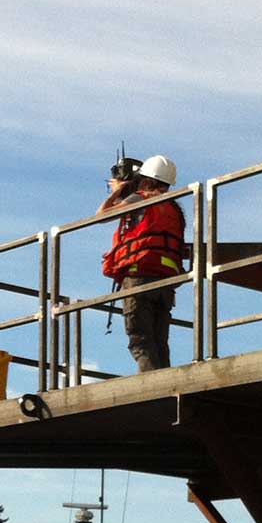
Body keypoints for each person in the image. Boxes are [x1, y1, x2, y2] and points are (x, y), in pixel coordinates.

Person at [97, 154, 187, 371]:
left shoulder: (140, 198)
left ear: (145, 179)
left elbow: (101, 215)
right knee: (159, 342)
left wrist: (120, 190)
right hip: (164, 283)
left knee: (140, 340)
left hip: (138, 278)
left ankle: (154, 388)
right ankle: (167, 383)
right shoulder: (174, 209)